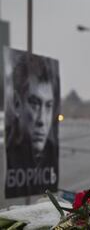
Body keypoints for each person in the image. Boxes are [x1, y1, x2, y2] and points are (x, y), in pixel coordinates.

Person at [5, 50, 59, 198]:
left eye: (48, 106)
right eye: (34, 104)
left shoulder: (51, 153)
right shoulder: (6, 160)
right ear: (17, 104)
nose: (42, 120)